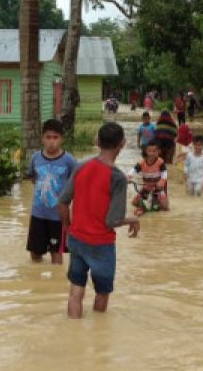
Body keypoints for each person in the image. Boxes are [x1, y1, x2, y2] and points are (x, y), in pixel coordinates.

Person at [56, 121, 140, 318]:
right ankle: (98, 338)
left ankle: (73, 335)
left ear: (97, 141)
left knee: (76, 290)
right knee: (102, 292)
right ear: (122, 144)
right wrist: (133, 220)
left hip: (76, 239)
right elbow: (113, 220)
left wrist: (68, 228)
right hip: (101, 244)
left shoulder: (80, 166)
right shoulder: (117, 178)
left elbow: (61, 204)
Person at [25, 118, 78, 264]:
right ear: (42, 138)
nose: (51, 141)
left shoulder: (69, 161)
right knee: (35, 254)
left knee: (56, 254)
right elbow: (33, 179)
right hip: (38, 214)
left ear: (61, 139)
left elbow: (77, 184)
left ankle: (56, 284)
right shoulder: (35, 157)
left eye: (55, 137)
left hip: (58, 217)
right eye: (48, 137)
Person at [130, 142, 169, 214]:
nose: (151, 153)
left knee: (165, 207)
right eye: (149, 151)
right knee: (134, 203)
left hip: (158, 189)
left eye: (154, 151)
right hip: (146, 188)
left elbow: (164, 173)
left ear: (158, 152)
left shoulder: (160, 162)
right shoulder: (142, 162)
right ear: (146, 151)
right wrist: (128, 176)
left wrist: (162, 181)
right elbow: (134, 170)